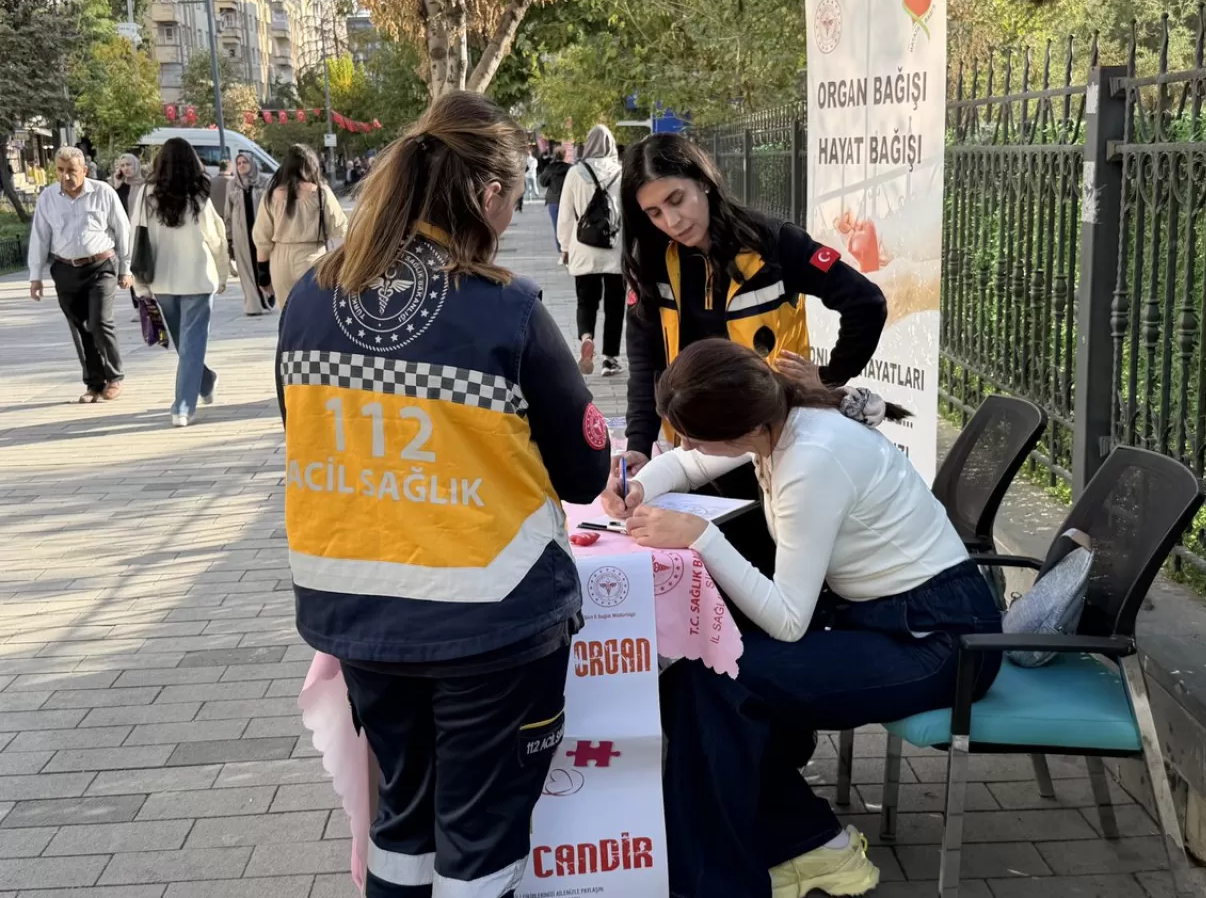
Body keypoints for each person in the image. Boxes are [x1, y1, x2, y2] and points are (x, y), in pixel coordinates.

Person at [276, 90, 610, 898]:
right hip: (491, 619)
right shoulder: (508, 311)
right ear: (490, 195)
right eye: (517, 191)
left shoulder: (311, 299)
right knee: (483, 841)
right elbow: (585, 474)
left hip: (358, 613)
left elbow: (302, 426)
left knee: (402, 827)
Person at [601, 339, 1002, 898]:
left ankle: (723, 878)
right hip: (891, 617)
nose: (685, 445)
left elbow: (790, 620)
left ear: (741, 429)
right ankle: (805, 843)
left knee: (715, 676)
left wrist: (701, 538)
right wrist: (642, 484)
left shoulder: (812, 459)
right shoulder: (780, 413)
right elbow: (693, 462)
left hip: (939, 641)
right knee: (705, 669)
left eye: (692, 433)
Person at [614, 133, 888, 575]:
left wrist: (828, 380)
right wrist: (639, 446)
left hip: (774, 445)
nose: (672, 220)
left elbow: (866, 302)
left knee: (775, 575)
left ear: (702, 180)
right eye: (654, 212)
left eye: (677, 198)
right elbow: (645, 362)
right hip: (697, 450)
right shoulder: (652, 263)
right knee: (712, 575)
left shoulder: (776, 244)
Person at [132, 138, 229, 427]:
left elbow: (137, 240)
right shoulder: (196, 194)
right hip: (191, 278)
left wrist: (140, 282)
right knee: (187, 345)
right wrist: (223, 274)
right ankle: (205, 380)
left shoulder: (150, 195)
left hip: (170, 279)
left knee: (188, 344)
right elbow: (217, 239)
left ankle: (183, 405)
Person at [27, 146, 133, 403]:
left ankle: (115, 376)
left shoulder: (103, 192)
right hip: (65, 269)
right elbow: (39, 236)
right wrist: (35, 275)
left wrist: (125, 269)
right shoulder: (48, 197)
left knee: (98, 321)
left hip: (101, 267)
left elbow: (123, 230)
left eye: (71, 171)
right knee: (79, 328)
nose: (65, 176)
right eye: (60, 171)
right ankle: (94, 384)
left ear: (84, 170)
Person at [557, 124, 625, 377]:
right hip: (616, 251)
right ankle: (610, 358)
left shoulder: (576, 172)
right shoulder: (621, 172)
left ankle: (586, 337)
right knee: (615, 306)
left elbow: (565, 214)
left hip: (583, 249)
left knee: (586, 301)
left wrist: (564, 247)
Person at [253, 143, 347, 306]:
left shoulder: (271, 195)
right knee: (313, 313)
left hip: (280, 260)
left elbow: (262, 239)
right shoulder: (320, 193)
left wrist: (263, 275)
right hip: (312, 257)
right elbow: (340, 230)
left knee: (287, 315)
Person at [224, 152, 273, 316]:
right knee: (246, 268)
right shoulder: (232, 185)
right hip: (241, 234)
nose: (242, 165)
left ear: (252, 164)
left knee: (265, 265)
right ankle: (253, 304)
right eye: (238, 163)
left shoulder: (265, 183)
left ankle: (268, 295)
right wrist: (229, 236)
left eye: (245, 162)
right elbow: (228, 212)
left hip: (262, 231)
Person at [113, 154, 148, 323]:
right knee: (130, 270)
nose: (126, 168)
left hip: (142, 232)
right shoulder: (117, 187)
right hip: (125, 234)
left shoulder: (144, 185)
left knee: (144, 270)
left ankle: (150, 304)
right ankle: (138, 307)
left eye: (128, 164)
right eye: (122, 165)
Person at [538, 147, 570, 252]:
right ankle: (569, 250)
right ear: (565, 155)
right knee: (570, 226)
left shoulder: (549, 168)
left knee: (557, 227)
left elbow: (543, 183)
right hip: (569, 200)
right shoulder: (571, 168)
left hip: (554, 200)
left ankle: (562, 253)